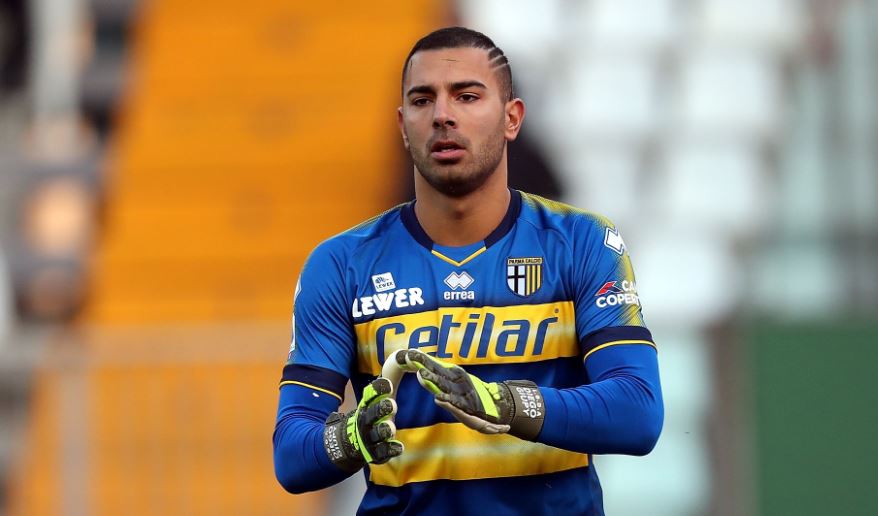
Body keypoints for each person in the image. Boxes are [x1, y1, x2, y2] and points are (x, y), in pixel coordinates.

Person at [273, 27, 663, 515]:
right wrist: (351, 438)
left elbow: (638, 411)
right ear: (403, 126)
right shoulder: (339, 264)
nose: (442, 114)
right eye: (423, 100)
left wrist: (507, 405)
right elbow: (291, 455)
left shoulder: (582, 243)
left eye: (467, 96)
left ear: (511, 118)